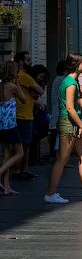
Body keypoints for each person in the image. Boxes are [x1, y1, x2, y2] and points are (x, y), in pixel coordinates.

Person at [43, 54, 82, 204]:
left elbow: (75, 103)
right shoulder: (71, 83)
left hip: (72, 122)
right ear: (76, 65)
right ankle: (50, 193)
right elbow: (70, 108)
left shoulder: (70, 81)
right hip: (69, 122)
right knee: (63, 158)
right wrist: (81, 124)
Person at [11, 51, 44, 182]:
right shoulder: (24, 77)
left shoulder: (16, 77)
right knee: (24, 144)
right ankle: (21, 170)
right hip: (24, 115)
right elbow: (40, 90)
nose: (30, 62)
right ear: (21, 62)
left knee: (21, 144)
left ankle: (21, 169)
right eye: (28, 60)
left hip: (20, 113)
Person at [1, 61, 26, 196]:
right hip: (10, 125)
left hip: (1, 125)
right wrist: (17, 83)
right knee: (19, 153)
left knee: (6, 154)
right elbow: (24, 99)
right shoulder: (12, 86)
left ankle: (6, 186)